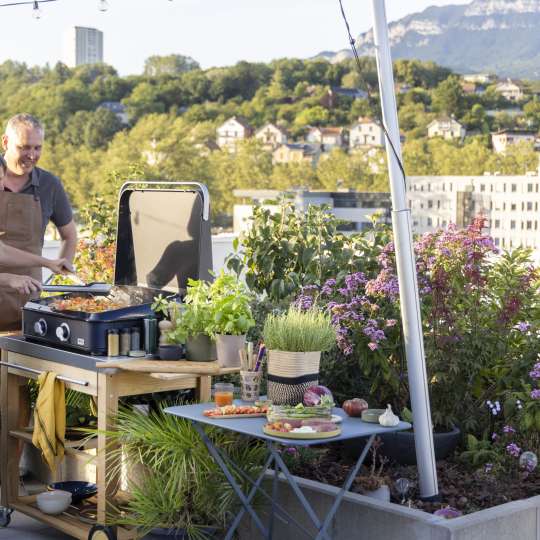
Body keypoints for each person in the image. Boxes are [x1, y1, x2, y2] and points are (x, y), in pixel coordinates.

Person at [0, 114, 77, 330]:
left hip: (27, 304)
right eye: (24, 147)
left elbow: (69, 234)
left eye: (37, 148)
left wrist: (56, 269)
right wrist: (8, 278)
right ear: (5, 142)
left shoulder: (49, 184)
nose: (32, 155)